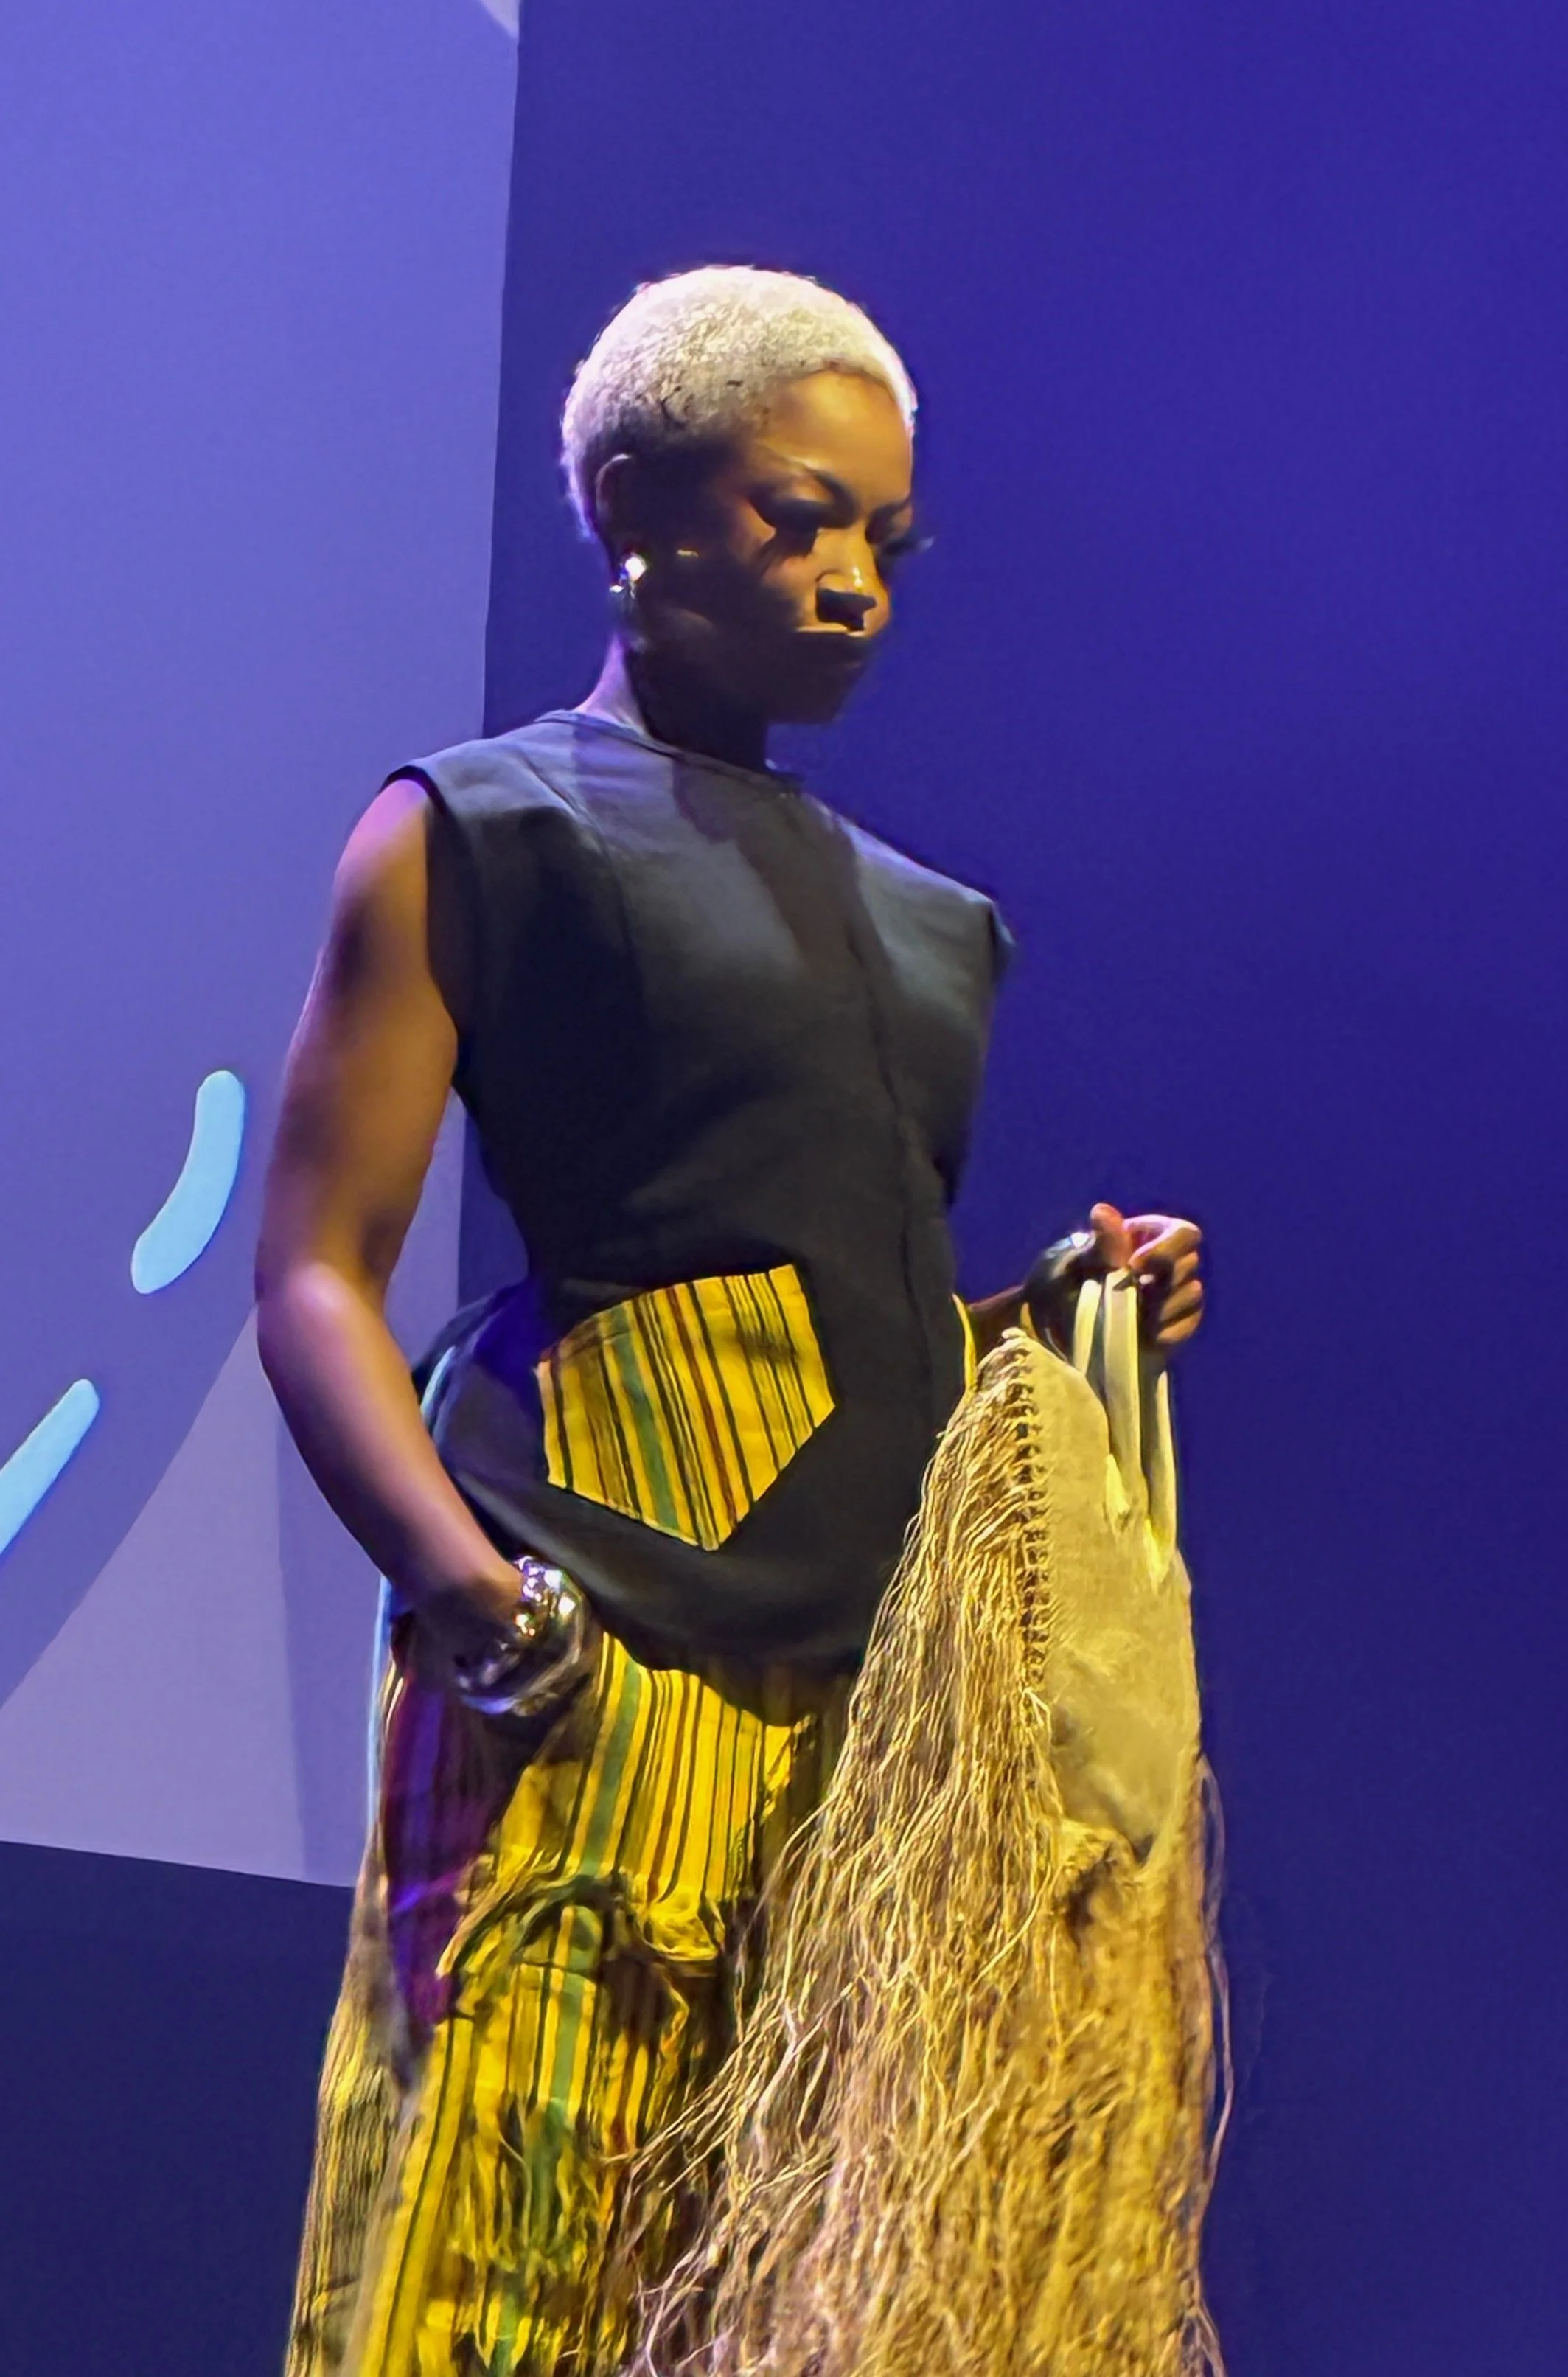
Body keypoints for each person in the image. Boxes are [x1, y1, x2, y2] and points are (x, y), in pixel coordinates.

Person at [256, 265, 1206, 2377]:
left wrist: (1060, 1315)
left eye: (888, 538)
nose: (853, 579)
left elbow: (849, 1298)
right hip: (589, 1651)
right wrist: (473, 1600)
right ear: (633, 506)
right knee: (496, 2251)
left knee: (758, 2286)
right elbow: (314, 1269)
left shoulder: (931, 923)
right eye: (800, 517)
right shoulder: (483, 830)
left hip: (863, 1725)